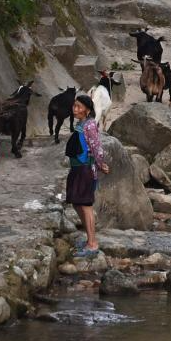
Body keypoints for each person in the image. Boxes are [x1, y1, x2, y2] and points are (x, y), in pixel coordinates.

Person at [65, 94, 110, 257]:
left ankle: (92, 243)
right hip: (77, 168)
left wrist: (101, 164)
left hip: (85, 169)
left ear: (87, 110)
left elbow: (96, 147)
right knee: (76, 203)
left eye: (79, 106)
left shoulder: (90, 125)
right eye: (74, 106)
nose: (75, 109)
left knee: (85, 205)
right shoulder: (80, 124)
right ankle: (89, 238)